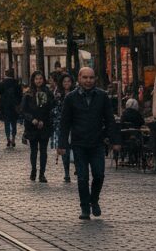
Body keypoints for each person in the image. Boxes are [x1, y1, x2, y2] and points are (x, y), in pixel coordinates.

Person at [57, 67, 119, 221]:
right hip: (79, 143)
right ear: (79, 78)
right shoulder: (71, 98)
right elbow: (65, 123)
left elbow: (110, 120)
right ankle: (85, 207)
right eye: (85, 77)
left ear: (95, 79)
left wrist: (115, 140)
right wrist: (62, 144)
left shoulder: (102, 96)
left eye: (91, 78)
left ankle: (94, 200)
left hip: (97, 143)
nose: (88, 81)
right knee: (83, 178)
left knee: (99, 174)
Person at [21, 70, 54, 182]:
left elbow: (51, 109)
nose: (39, 81)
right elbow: (23, 110)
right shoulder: (28, 94)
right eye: (36, 79)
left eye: (40, 78)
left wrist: (43, 120)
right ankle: (33, 170)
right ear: (33, 80)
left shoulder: (48, 93)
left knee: (43, 151)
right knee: (34, 151)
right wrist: (32, 119)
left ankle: (42, 173)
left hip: (44, 126)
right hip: (32, 126)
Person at [50, 73, 74, 182]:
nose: (66, 83)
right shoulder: (58, 94)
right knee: (65, 149)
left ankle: (78, 167)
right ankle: (67, 173)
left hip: (75, 125)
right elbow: (54, 109)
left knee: (76, 148)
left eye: (68, 81)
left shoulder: (76, 94)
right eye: (64, 81)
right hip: (62, 125)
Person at [0, 69, 22, 148]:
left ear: (6, 74)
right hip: (14, 106)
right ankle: (14, 139)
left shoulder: (2, 83)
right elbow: (20, 95)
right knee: (14, 122)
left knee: (7, 123)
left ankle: (8, 139)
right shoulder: (17, 83)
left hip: (5, 105)